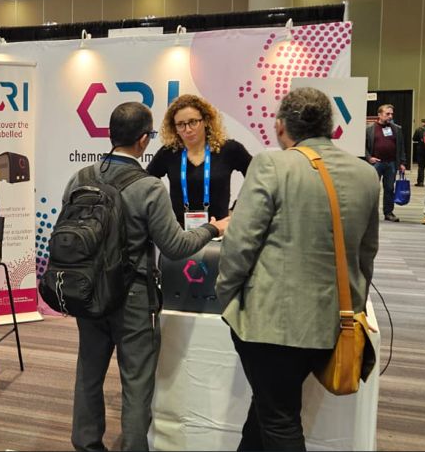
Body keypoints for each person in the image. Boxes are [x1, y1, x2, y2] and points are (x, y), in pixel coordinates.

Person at [216, 87, 379, 451]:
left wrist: (226, 298)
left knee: (279, 419)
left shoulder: (272, 164)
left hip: (271, 322)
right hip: (331, 321)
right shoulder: (365, 173)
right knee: (269, 407)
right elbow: (367, 253)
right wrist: (351, 309)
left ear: (279, 126)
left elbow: (240, 245)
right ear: (331, 126)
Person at [68, 102, 228, 452]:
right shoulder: (148, 187)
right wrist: (213, 229)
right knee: (137, 383)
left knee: (88, 376)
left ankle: (86, 444)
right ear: (144, 140)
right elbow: (175, 246)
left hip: (86, 293)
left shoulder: (80, 178)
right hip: (132, 298)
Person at [146, 94, 251, 228]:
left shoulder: (229, 149)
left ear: (206, 121)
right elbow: (147, 180)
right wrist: (162, 210)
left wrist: (237, 209)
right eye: (180, 125)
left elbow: (256, 178)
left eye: (193, 122)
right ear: (174, 127)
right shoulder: (168, 153)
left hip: (218, 231)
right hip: (180, 234)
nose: (188, 129)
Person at [365, 104, 408, 222]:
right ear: (379, 115)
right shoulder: (369, 129)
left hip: (391, 164)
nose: (390, 116)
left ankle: (388, 213)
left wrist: (402, 162)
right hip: (376, 164)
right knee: (373, 189)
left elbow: (401, 147)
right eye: (387, 114)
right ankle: (370, 213)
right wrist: (369, 158)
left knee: (389, 189)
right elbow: (363, 146)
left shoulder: (396, 129)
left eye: (391, 114)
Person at [411, 118, 425, 186]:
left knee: (421, 167)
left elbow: (414, 138)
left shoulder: (419, 129)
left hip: (421, 149)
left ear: (423, 123)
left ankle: (420, 182)